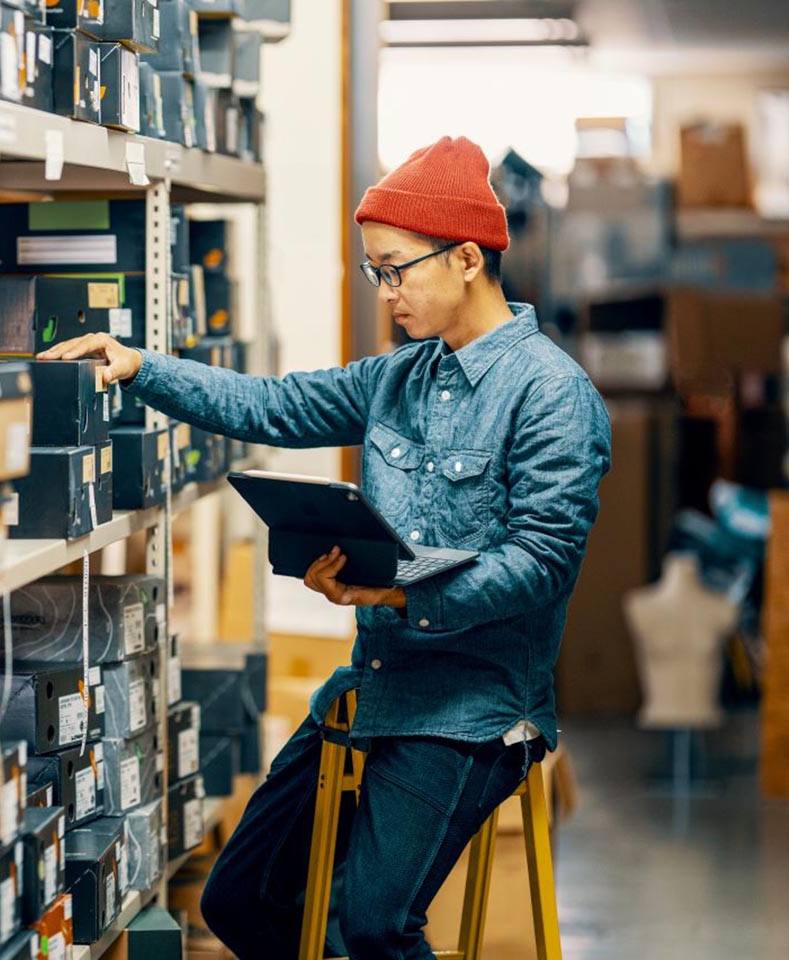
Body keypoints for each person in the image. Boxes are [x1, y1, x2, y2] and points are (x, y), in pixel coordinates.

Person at [38, 136, 612, 959]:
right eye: (374, 273)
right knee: (237, 901)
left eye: (396, 269)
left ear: (464, 261)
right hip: (374, 686)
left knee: (376, 925)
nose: (386, 294)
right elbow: (270, 405)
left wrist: (401, 596)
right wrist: (138, 368)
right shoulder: (399, 378)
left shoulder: (553, 396)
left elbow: (541, 563)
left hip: (472, 711)